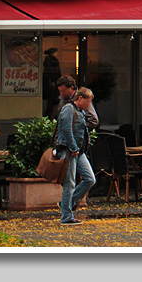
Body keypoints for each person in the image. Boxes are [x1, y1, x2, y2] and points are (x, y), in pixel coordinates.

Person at [56, 87, 96, 225]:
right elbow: (66, 130)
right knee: (70, 183)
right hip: (69, 150)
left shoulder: (80, 111)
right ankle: (66, 216)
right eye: (88, 101)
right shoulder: (69, 109)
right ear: (80, 98)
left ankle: (66, 203)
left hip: (79, 151)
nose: (89, 105)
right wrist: (73, 147)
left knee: (90, 179)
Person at [42, 48, 61, 117]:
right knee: (52, 103)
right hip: (52, 85)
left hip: (49, 85)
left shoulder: (47, 62)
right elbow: (55, 73)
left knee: (50, 103)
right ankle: (51, 116)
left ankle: (49, 116)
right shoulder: (53, 62)